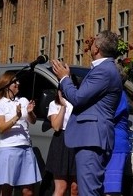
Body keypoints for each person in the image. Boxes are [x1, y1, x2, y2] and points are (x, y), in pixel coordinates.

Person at [51, 30, 123, 196]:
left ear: (97, 47)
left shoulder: (104, 70)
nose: (90, 43)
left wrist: (64, 78)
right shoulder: (104, 69)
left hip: (92, 138)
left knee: (88, 191)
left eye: (93, 41)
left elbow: (77, 98)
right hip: (90, 137)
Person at [0, 72, 41, 196]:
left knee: (28, 191)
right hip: (9, 149)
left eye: (18, 82)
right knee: (7, 189)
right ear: (6, 85)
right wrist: (16, 117)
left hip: (26, 148)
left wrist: (30, 112)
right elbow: (1, 128)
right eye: (15, 82)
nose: (18, 84)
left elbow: (32, 121)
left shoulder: (22, 100)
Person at [46, 90, 78, 196]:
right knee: (61, 187)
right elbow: (56, 126)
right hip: (61, 141)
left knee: (75, 187)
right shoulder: (54, 104)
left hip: (77, 141)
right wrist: (63, 107)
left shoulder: (78, 102)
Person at [104, 90, 131, 196]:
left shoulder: (119, 94)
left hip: (116, 146)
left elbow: (108, 116)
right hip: (108, 144)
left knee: (111, 190)